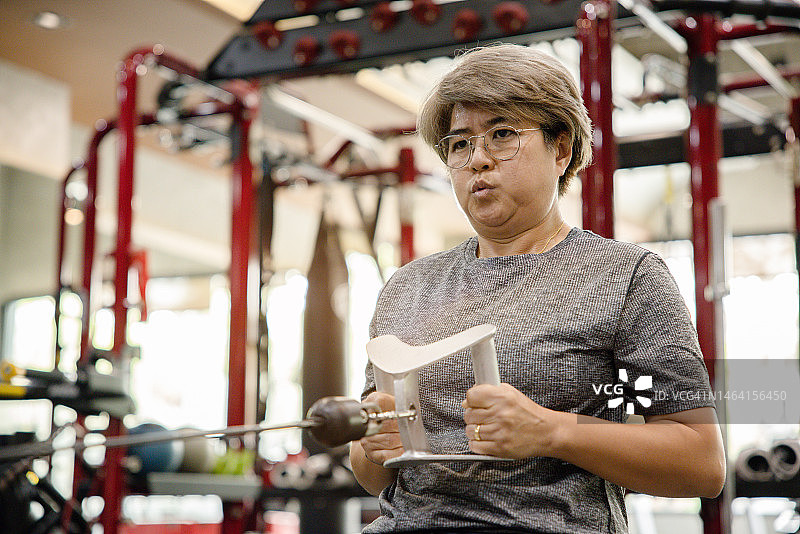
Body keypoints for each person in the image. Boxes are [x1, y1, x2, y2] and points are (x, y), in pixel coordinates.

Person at [349, 43, 725, 534]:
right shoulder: (408, 287)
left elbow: (700, 461)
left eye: (502, 135)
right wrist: (373, 445)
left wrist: (552, 431)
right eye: (460, 144)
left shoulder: (625, 276)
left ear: (561, 149)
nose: (477, 159)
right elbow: (372, 474)